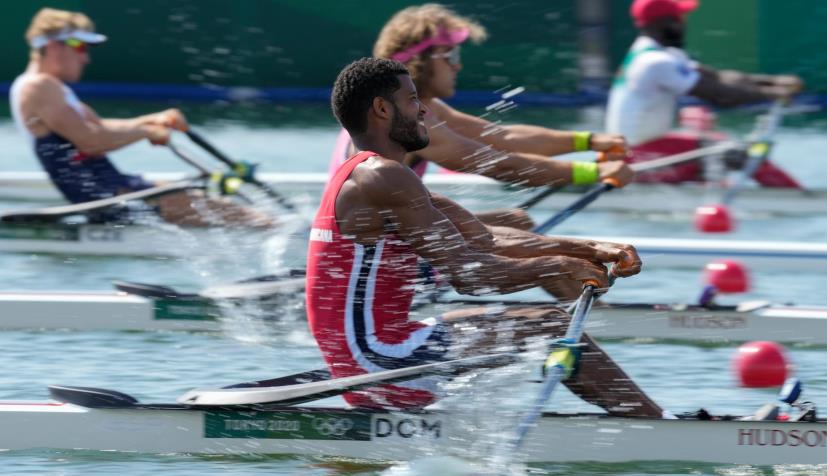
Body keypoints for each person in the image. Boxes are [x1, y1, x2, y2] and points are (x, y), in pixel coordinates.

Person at [306, 57, 666, 419]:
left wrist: (591, 249)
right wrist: (561, 266)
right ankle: (657, 427)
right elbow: (471, 276)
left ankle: (647, 422)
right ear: (383, 109)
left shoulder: (379, 175)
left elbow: (486, 239)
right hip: (378, 363)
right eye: (413, 99)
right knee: (552, 325)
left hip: (373, 355)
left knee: (538, 316)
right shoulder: (382, 178)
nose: (424, 110)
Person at [329, 3, 633, 229]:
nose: (458, 66)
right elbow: (499, 164)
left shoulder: (418, 107)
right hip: (383, 254)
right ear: (420, 60)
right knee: (519, 229)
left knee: (516, 221)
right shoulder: (408, 120)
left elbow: (504, 138)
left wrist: (590, 140)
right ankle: (587, 313)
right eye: (452, 56)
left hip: (392, 234)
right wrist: (592, 173)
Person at [10, 8, 269, 227]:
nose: (86, 58)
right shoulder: (38, 86)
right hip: (106, 197)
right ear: (54, 46)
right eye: (81, 47)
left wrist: (152, 119)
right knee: (235, 215)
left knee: (209, 203)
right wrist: (146, 132)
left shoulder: (50, 88)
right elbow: (90, 141)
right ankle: (290, 238)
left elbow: (98, 127)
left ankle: (282, 230)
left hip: (115, 185)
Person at [606, 0, 804, 188]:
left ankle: (710, 199)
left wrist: (774, 82)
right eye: (678, 18)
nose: (684, 24)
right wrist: (773, 95)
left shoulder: (653, 53)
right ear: (664, 23)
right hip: (637, 160)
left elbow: (719, 77)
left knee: (718, 145)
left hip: (642, 151)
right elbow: (721, 95)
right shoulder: (655, 62)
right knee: (735, 153)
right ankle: (800, 202)